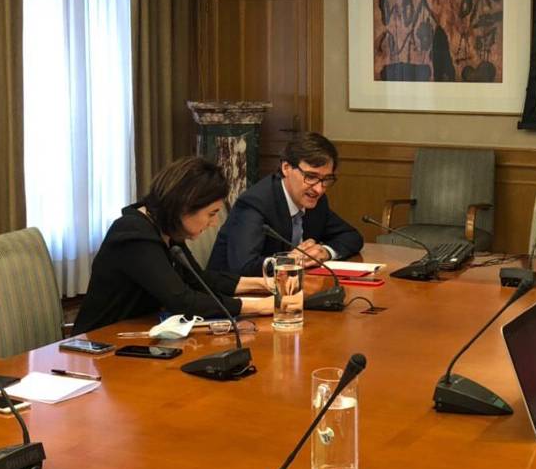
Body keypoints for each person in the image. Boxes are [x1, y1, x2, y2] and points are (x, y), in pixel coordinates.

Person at [72, 157, 278, 335]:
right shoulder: (133, 233)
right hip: (98, 345)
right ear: (185, 205)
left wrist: (265, 284)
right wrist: (260, 306)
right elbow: (182, 300)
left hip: (140, 334)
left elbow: (200, 280)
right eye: (212, 213)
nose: (214, 223)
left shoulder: (167, 229)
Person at [208, 132, 364, 277]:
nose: (319, 189)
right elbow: (244, 266)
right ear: (286, 168)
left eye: (326, 179)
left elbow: (352, 237)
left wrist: (325, 251)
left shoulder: (315, 200)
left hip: (288, 290)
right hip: (233, 298)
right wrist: (292, 261)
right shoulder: (256, 203)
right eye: (310, 176)